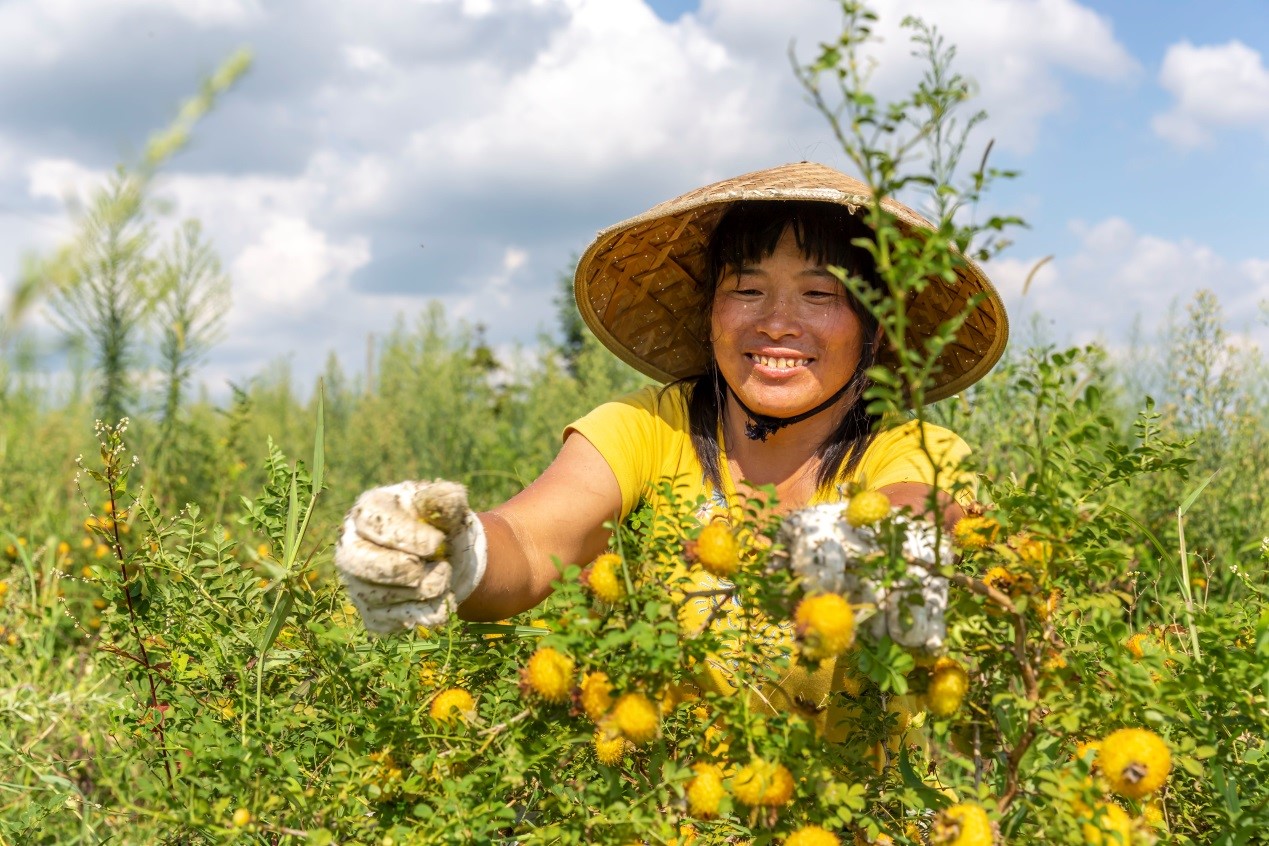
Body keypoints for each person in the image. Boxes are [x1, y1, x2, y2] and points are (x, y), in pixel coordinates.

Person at [335, 162, 1008, 730]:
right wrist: (454, 552)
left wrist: (866, 545)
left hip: (870, 816)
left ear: (876, 330)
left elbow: (922, 510)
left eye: (818, 294)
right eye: (747, 289)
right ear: (710, 313)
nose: (777, 322)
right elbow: (533, 542)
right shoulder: (650, 428)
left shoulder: (909, 447)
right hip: (674, 816)